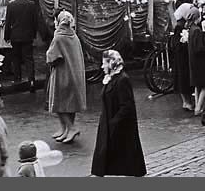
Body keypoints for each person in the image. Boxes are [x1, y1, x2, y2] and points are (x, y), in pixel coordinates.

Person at [91, 49, 146, 177]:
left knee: (124, 155)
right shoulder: (111, 78)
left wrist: (114, 122)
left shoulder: (122, 80)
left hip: (119, 126)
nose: (102, 66)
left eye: (104, 63)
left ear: (111, 64)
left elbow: (127, 105)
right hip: (108, 122)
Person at [45, 10, 86, 144]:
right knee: (70, 104)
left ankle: (71, 128)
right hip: (75, 73)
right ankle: (66, 129)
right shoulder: (73, 36)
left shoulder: (58, 37)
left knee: (59, 103)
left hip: (62, 74)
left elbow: (52, 57)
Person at [4, 0, 39, 91]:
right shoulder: (31, 4)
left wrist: (7, 36)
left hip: (15, 35)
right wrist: (33, 34)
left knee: (16, 57)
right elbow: (35, 21)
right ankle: (31, 80)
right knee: (29, 58)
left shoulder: (11, 6)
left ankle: (17, 78)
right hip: (28, 35)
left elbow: (8, 22)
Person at [187, 6, 205, 117]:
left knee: (198, 85)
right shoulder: (197, 30)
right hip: (200, 62)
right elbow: (199, 48)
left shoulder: (191, 29)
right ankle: (198, 108)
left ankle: (197, 106)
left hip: (193, 60)